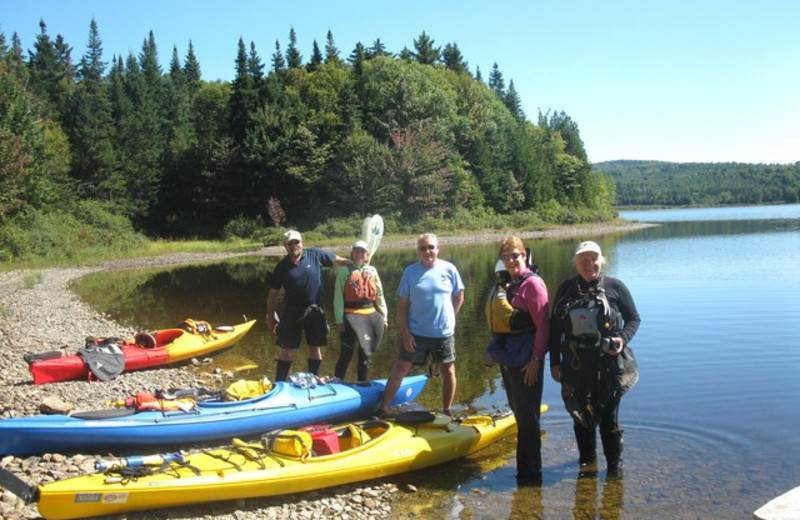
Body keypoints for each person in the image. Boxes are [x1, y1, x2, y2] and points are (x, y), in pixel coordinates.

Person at [549, 240, 641, 476]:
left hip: (608, 364)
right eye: (584, 260)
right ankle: (587, 465)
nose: (590, 264)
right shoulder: (565, 289)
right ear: (576, 263)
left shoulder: (615, 287)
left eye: (594, 259)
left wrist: (622, 339)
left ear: (602, 260)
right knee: (580, 415)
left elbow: (634, 319)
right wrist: (555, 362)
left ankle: (614, 471)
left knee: (609, 419)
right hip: (575, 363)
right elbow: (554, 329)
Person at [485, 236, 550, 483]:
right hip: (510, 359)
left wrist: (536, 359)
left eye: (516, 255)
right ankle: (527, 470)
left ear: (525, 256)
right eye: (506, 256)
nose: (511, 260)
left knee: (528, 417)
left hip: (527, 361)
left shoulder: (532, 285)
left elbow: (543, 326)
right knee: (520, 414)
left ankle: (530, 473)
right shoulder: (511, 284)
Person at [377, 233, 465, 416]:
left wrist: (451, 317)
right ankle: (383, 407)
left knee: (448, 370)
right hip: (416, 333)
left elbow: (459, 295)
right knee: (400, 368)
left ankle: (447, 410)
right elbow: (402, 305)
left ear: (438, 249)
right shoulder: (410, 272)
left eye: (431, 247)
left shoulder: (450, 269)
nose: (427, 251)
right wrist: (406, 334)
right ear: (418, 251)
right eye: (423, 248)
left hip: (443, 333)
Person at [266, 230, 348, 382]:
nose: (294, 246)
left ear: (301, 243)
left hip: (316, 310)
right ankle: (279, 385)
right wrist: (270, 315)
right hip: (292, 312)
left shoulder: (315, 255)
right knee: (286, 350)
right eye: (290, 243)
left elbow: (338, 260)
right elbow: (273, 293)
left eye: (296, 242)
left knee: (314, 348)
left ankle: (314, 380)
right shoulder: (281, 267)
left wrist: (356, 264)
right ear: (285, 246)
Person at [332, 240, 388, 381]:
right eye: (356, 251)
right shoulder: (344, 271)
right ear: (352, 253)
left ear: (367, 255)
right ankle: (338, 381)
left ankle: (362, 382)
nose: (359, 254)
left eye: (362, 252)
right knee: (347, 352)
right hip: (350, 317)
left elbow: (380, 295)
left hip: (370, 315)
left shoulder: (372, 271)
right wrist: (339, 320)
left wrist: (384, 317)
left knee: (365, 353)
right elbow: (338, 297)